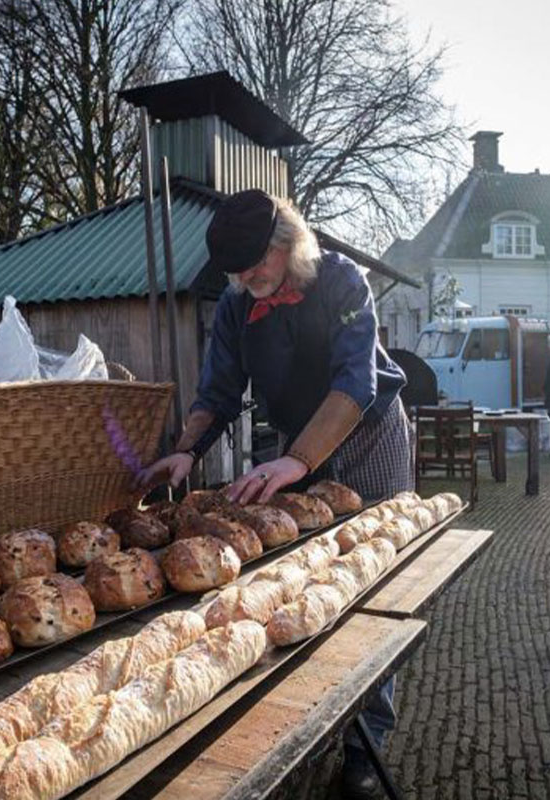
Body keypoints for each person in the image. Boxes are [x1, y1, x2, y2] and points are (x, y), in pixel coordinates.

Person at [137, 189, 412, 799]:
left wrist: (298, 458)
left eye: (254, 262)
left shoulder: (343, 282)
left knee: (377, 576)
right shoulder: (239, 304)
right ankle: (312, 703)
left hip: (367, 428)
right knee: (306, 575)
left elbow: (355, 379)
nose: (244, 277)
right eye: (234, 270)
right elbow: (219, 389)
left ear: (288, 242)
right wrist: (188, 449)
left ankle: (369, 737)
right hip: (296, 445)